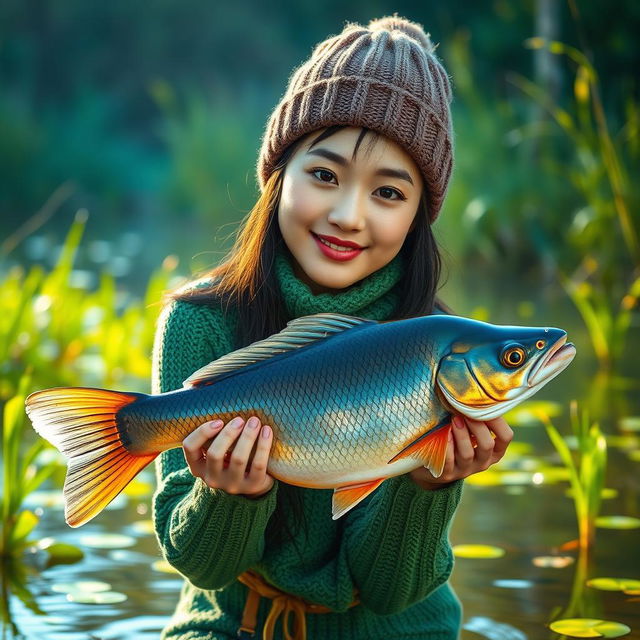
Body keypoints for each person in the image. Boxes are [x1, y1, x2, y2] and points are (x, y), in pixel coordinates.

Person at [152, 14, 513, 640]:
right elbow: (203, 567)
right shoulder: (199, 322)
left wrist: (429, 484)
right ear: (278, 176)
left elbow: (391, 589)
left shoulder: (437, 345)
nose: (348, 215)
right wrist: (230, 495)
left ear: (416, 218)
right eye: (325, 175)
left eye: (389, 193)